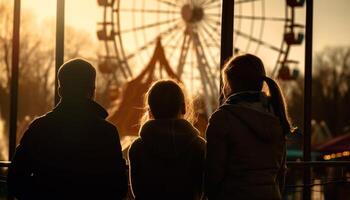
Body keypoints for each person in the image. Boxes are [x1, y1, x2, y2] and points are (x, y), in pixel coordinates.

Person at [7, 58, 128, 199]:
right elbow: (118, 186)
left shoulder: (39, 128)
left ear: (60, 90)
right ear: (92, 90)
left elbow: (15, 180)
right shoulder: (107, 132)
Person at [205, 54, 291, 200]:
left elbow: (213, 173)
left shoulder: (223, 119)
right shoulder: (276, 116)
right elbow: (280, 173)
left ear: (230, 84)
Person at [128, 80, 206, 200]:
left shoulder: (137, 147)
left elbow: (137, 191)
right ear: (184, 108)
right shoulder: (200, 146)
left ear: (150, 111)